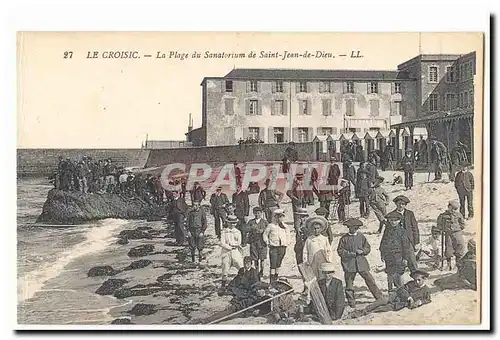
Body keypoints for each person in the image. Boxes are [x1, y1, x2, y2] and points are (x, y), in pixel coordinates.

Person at [337, 218, 383, 308]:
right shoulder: (344, 238)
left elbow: (368, 248)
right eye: (351, 227)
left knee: (370, 280)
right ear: (348, 227)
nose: (353, 229)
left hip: (361, 263)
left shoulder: (361, 236)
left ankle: (379, 297)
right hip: (349, 264)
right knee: (349, 284)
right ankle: (351, 302)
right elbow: (340, 251)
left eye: (355, 228)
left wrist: (363, 251)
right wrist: (351, 254)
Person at [351, 269, 432, 317]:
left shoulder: (426, 290)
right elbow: (401, 289)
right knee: (381, 301)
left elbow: (428, 300)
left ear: (424, 279)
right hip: (394, 297)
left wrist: (421, 302)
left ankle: (363, 313)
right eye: (415, 280)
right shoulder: (410, 283)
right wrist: (408, 297)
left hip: (399, 304)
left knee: (381, 309)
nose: (416, 282)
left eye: (419, 280)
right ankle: (363, 310)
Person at [379, 211, 418, 293]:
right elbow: (383, 242)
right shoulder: (387, 230)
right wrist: (382, 253)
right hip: (388, 256)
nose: (393, 222)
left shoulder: (402, 232)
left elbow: (406, 246)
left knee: (399, 273)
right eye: (391, 220)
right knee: (389, 273)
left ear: (399, 221)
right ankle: (390, 290)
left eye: (395, 220)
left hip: (399, 257)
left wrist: (405, 258)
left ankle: (401, 291)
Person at [437, 200, 466, 271]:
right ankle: (448, 265)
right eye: (452, 208)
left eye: (455, 209)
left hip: (457, 233)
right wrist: (443, 229)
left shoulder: (459, 215)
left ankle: (457, 264)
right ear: (449, 207)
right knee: (448, 249)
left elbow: (462, 224)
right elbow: (439, 224)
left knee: (459, 248)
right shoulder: (443, 215)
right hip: (448, 234)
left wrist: (458, 229)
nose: (453, 210)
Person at [263, 209, 290, 282]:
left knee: (279, 262)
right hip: (274, 247)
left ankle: (276, 277)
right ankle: (272, 279)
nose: (279, 219)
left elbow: (288, 235)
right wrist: (267, 242)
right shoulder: (271, 226)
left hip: (282, 247)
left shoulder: (285, 226)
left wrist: (287, 243)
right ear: (275, 217)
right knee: (273, 263)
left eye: (281, 217)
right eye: (278, 217)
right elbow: (265, 234)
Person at [303, 216, 332, 280]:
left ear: (321, 229)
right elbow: (305, 251)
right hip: (312, 260)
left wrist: (329, 259)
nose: (316, 230)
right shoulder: (309, 239)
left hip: (323, 259)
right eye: (314, 228)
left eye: (318, 228)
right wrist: (306, 261)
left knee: (322, 275)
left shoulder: (324, 239)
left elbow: (329, 250)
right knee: (314, 276)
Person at [220, 215, 244, 288]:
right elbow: (222, 243)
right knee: (225, 268)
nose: (232, 225)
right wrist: (229, 247)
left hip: (235, 251)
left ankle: (241, 283)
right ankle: (223, 285)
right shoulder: (224, 232)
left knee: (241, 267)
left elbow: (239, 242)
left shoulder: (238, 232)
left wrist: (233, 245)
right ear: (227, 223)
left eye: (234, 223)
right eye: (230, 223)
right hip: (226, 252)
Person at [247, 207, 269, 278]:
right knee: (255, 258)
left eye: (258, 213)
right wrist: (251, 228)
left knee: (262, 258)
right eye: (255, 213)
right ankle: (256, 271)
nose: (257, 214)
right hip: (253, 243)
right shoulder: (251, 222)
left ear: (261, 213)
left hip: (262, 243)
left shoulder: (264, 222)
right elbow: (245, 229)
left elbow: (269, 230)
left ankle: (262, 271)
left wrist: (263, 231)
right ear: (253, 213)